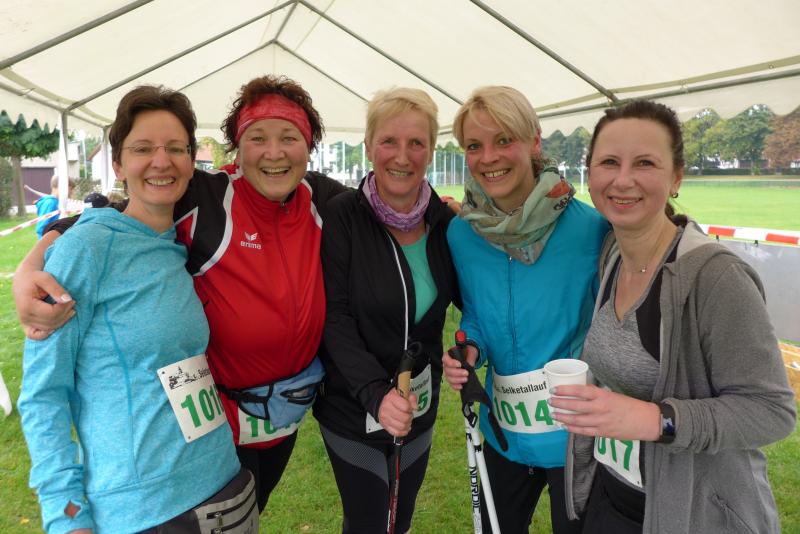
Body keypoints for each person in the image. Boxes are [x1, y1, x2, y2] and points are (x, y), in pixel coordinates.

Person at [13, 75, 349, 514]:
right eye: (257, 138)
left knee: (249, 513)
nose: (274, 152)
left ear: (308, 146)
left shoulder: (321, 198)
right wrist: (34, 262)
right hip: (209, 435)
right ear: (236, 150)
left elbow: (383, 204)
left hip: (271, 426)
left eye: (289, 137)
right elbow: (114, 216)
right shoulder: (206, 195)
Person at [17, 86, 253, 534]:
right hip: (145, 509)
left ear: (191, 161)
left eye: (176, 149)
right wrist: (66, 515)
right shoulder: (86, 249)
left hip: (223, 484)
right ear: (118, 165)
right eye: (143, 149)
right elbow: (43, 393)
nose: (162, 161)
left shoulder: (176, 244)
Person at [554, 100, 796, 533]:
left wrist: (655, 419)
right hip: (613, 501)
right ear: (590, 174)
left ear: (677, 177)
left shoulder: (716, 277)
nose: (623, 179)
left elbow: (771, 411)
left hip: (692, 513)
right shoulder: (613, 255)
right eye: (609, 162)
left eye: (644, 163)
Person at [442, 86, 608, 534]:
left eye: (504, 140)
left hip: (576, 440)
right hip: (503, 434)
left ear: (534, 141)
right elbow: (476, 315)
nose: (488, 157)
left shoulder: (592, 229)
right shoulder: (462, 234)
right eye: (474, 146)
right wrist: (470, 348)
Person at [314, 87, 460, 533]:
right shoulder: (342, 216)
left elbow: (471, 301)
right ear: (368, 146)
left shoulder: (445, 223)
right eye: (389, 141)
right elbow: (334, 317)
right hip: (353, 407)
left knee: (401, 520)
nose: (402, 156)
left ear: (431, 151)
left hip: (418, 405)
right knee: (368, 522)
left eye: (416, 143)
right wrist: (376, 395)